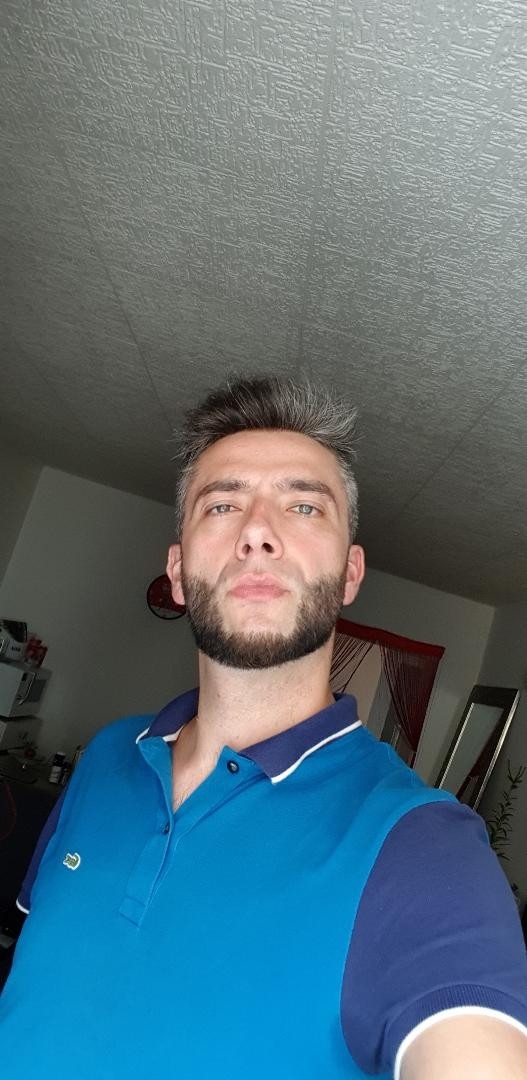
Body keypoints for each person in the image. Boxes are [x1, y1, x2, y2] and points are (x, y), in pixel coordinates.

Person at [1, 375, 527, 1079]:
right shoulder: (108, 753)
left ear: (350, 573)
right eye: (223, 504)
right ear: (177, 570)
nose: (257, 532)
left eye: (303, 506)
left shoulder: (423, 849)